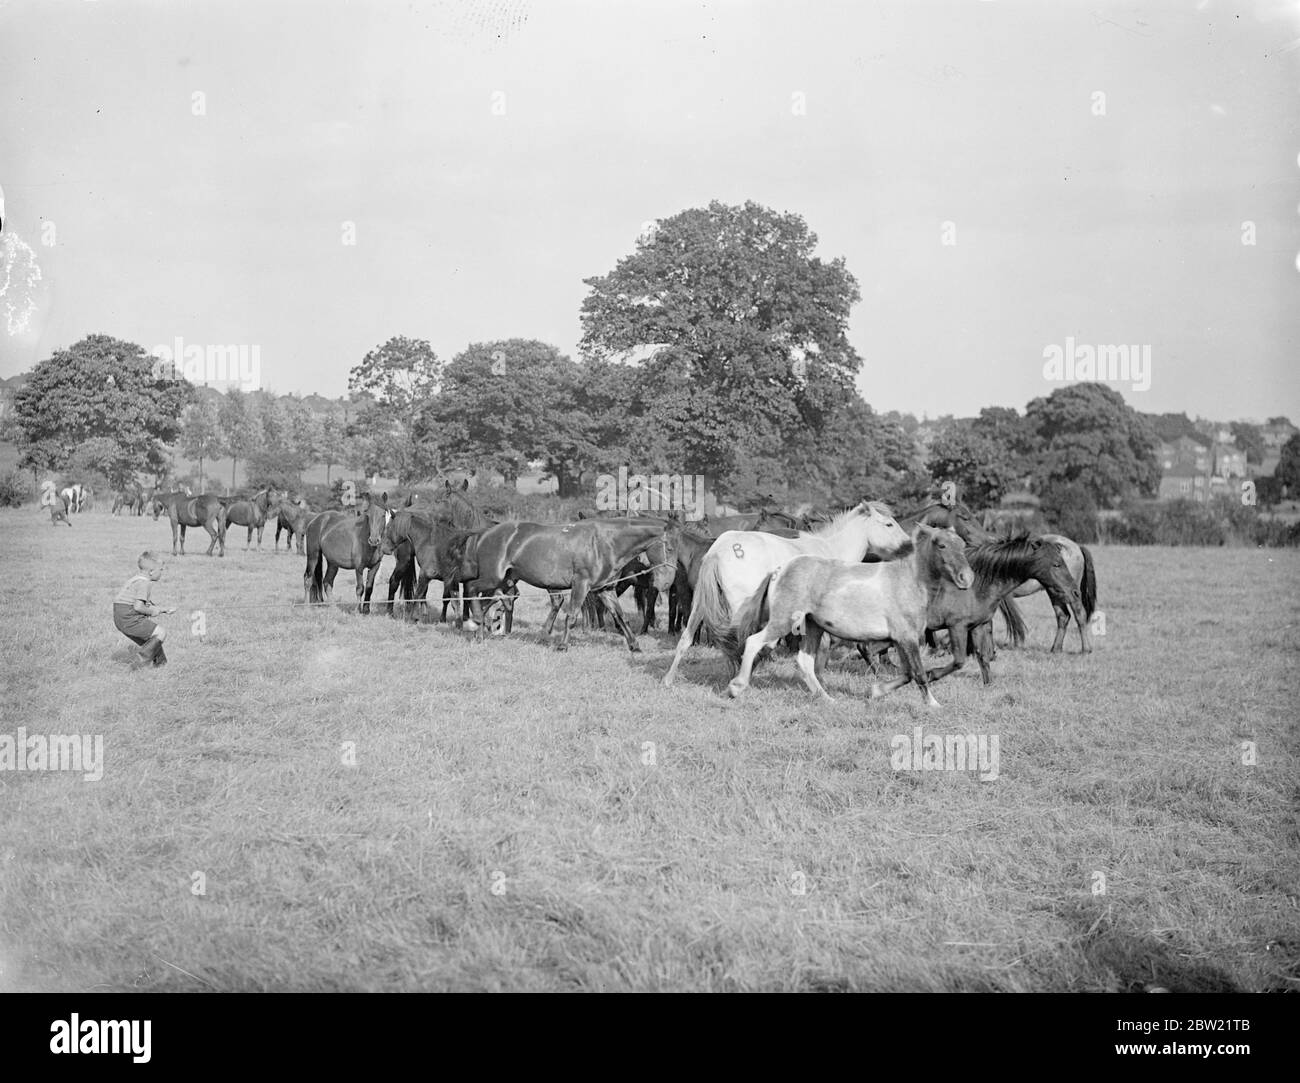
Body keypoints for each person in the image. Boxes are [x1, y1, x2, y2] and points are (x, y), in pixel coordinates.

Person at [113, 551, 175, 667]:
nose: (162, 573)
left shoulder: (136, 579)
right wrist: (153, 612)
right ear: (151, 571)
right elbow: (138, 607)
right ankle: (138, 663)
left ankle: (161, 665)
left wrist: (162, 609)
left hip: (121, 616)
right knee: (161, 633)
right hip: (128, 616)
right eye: (161, 570)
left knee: (151, 641)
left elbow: (137, 604)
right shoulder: (144, 583)